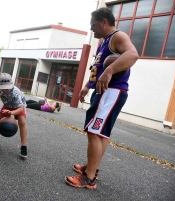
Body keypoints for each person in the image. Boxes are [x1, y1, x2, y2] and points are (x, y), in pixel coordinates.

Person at [64, 7, 138, 189]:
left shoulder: (118, 37)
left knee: (95, 131)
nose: (91, 29)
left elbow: (133, 55)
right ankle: (91, 168)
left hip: (113, 91)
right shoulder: (104, 42)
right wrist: (87, 85)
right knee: (101, 133)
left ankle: (89, 178)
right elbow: (97, 67)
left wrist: (110, 70)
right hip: (104, 91)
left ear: (104, 22)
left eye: (93, 25)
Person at [0, 73, 28, 158]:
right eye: (3, 88)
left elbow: (20, 109)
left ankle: (24, 147)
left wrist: (11, 113)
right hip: (7, 105)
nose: (5, 90)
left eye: (7, 88)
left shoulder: (15, 93)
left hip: (19, 106)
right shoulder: (1, 88)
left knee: (22, 123)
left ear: (11, 85)